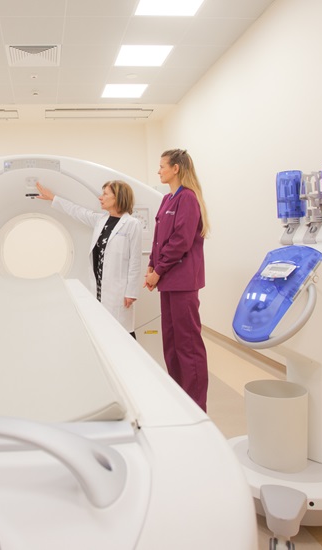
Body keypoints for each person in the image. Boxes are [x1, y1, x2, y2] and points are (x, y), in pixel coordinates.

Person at [143, 149, 211, 411]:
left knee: (188, 345)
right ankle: (179, 397)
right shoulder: (167, 199)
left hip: (183, 281)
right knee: (170, 343)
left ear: (176, 168)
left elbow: (181, 241)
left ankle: (196, 405)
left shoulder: (188, 199)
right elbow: (159, 239)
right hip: (167, 280)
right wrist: (152, 266)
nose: (159, 170)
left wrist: (158, 271)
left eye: (162, 166)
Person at [35, 180, 142, 337]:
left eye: (105, 194)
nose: (100, 197)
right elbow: (77, 211)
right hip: (98, 287)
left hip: (118, 290)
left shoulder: (132, 224)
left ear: (118, 197)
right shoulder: (101, 220)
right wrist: (53, 198)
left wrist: (131, 292)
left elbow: (135, 261)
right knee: (102, 330)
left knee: (122, 333)